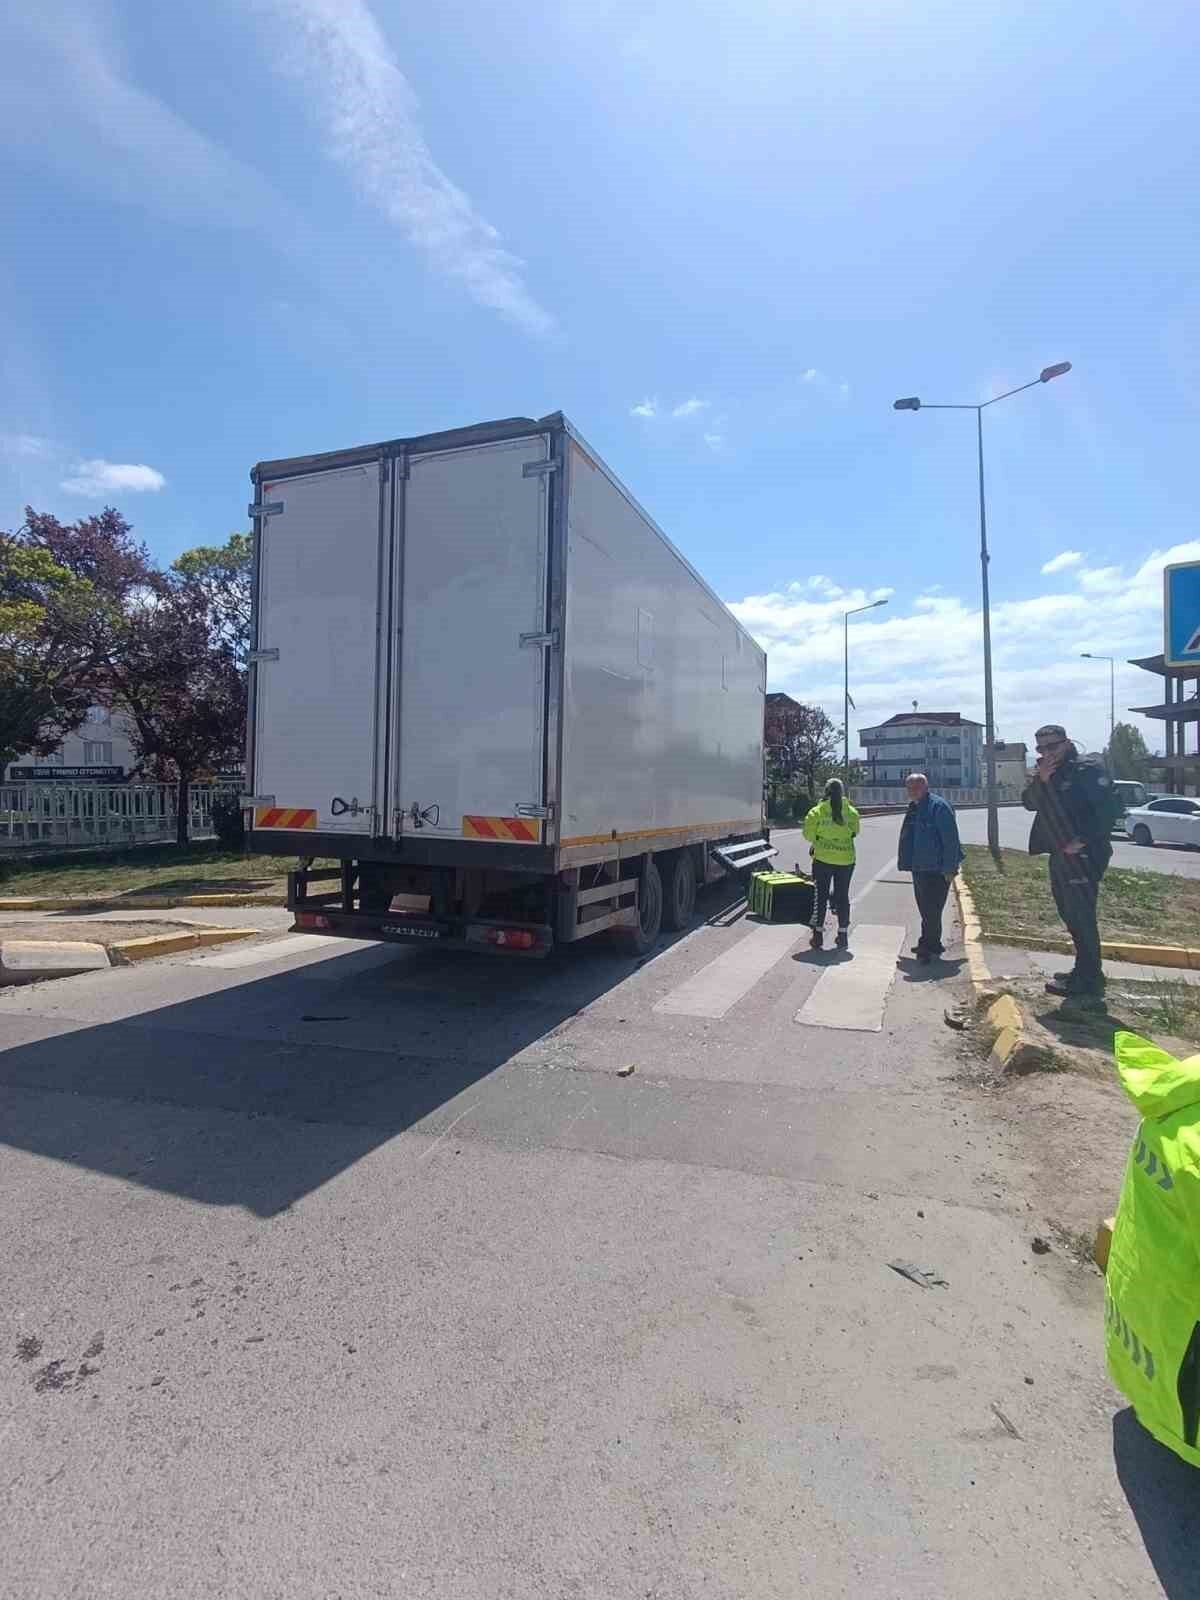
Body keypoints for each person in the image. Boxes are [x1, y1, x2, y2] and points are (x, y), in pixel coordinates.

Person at [1022, 722, 1115, 1004]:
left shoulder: (1086, 770)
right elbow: (1029, 803)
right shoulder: (1049, 773)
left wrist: (1083, 840)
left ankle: (1088, 980)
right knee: (1070, 915)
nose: (1047, 752)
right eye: (1041, 748)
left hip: (1083, 856)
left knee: (1081, 916)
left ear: (1067, 742)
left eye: (1053, 746)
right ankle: (1084, 971)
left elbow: (1111, 810)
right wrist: (1042, 780)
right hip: (1060, 854)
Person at [897, 773, 962, 963]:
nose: (912, 791)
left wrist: (950, 868)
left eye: (916, 787)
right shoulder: (915, 807)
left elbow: (951, 840)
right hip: (919, 867)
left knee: (931, 909)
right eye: (909, 788)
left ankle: (927, 946)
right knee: (926, 909)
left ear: (925, 787)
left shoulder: (938, 807)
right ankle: (931, 942)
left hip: (937, 868)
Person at [802, 778, 860, 949]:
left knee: (820, 896)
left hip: (823, 860)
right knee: (842, 896)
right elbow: (855, 832)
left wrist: (820, 839)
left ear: (825, 791)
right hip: (846, 860)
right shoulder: (851, 812)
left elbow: (807, 835)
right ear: (842, 792)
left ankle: (818, 935)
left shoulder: (817, 811)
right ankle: (842, 935)